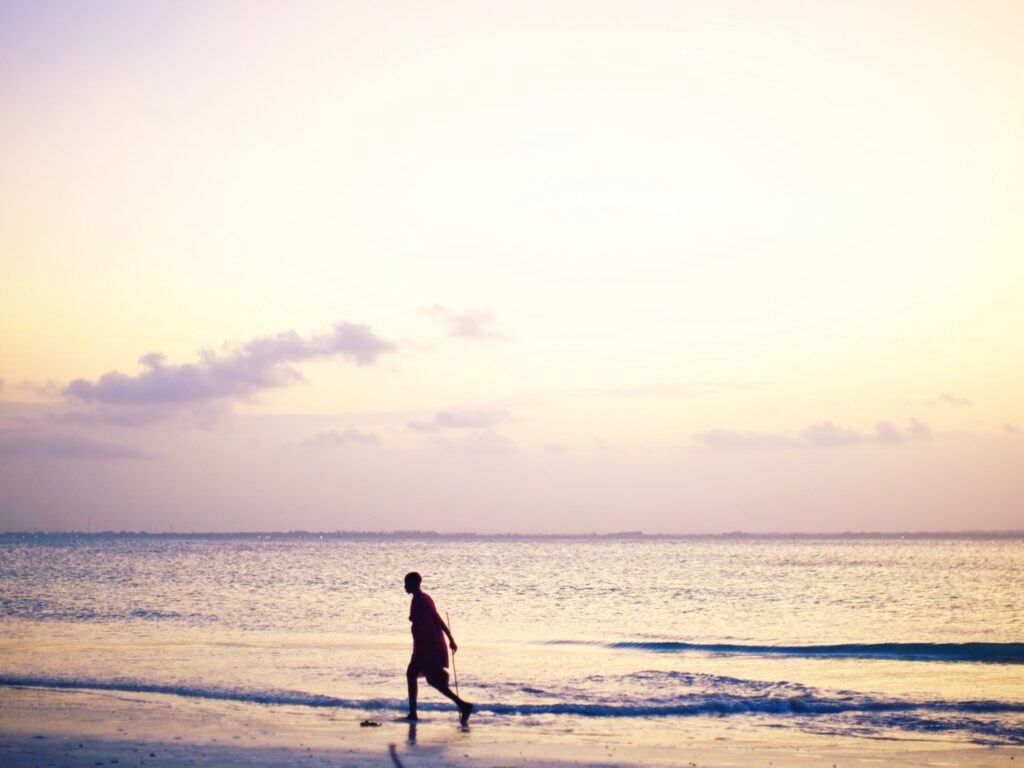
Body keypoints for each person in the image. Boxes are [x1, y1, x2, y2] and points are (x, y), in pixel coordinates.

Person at [403, 571, 473, 725]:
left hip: (426, 647)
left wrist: (449, 638)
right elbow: (437, 618)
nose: (405, 587)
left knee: (432, 680)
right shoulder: (425, 598)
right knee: (413, 675)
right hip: (425, 646)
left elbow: (428, 623)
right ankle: (413, 712)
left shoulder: (419, 600)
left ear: (414, 584)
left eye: (407, 584)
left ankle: (463, 705)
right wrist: (450, 637)